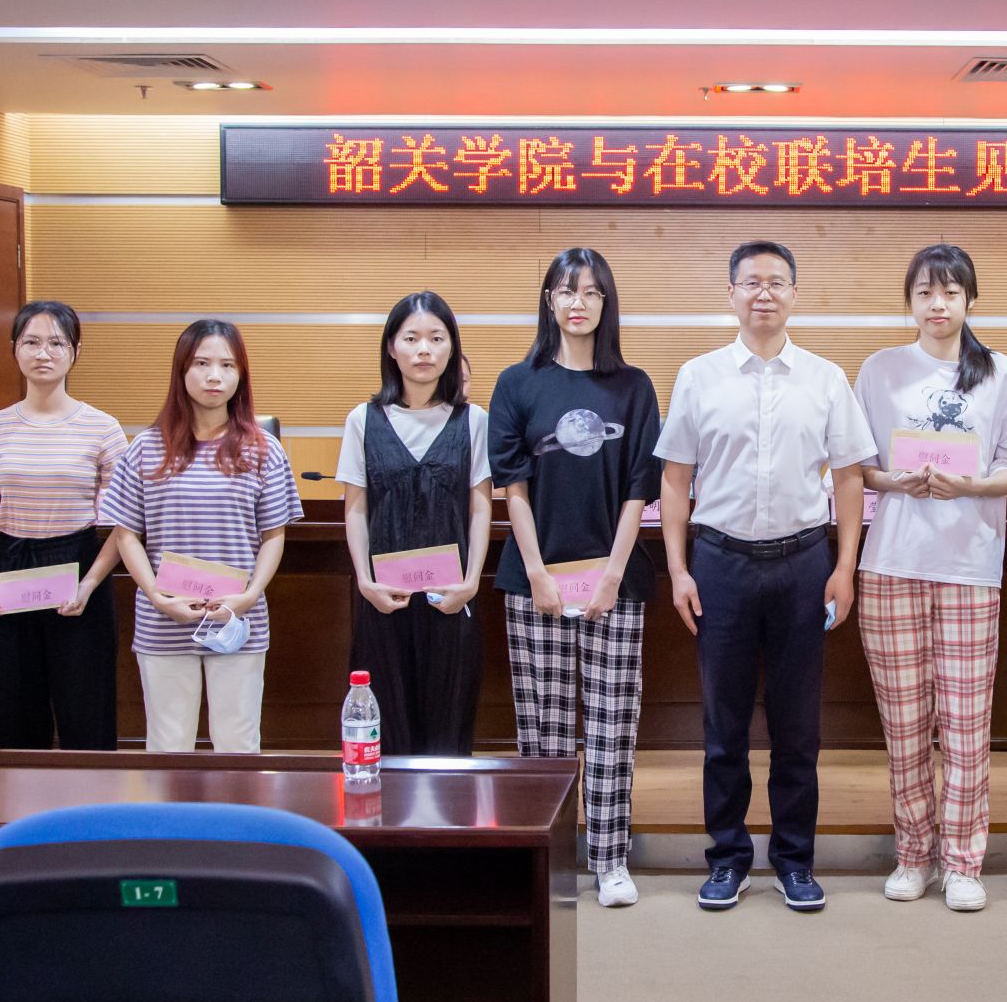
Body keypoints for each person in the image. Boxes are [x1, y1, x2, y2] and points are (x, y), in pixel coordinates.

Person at [656, 240, 875, 913]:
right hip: (719, 564)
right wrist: (678, 569)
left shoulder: (825, 378)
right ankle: (726, 858)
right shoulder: (698, 376)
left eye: (777, 282)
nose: (764, 293)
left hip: (803, 564)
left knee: (797, 726)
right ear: (731, 294)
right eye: (751, 282)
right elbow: (675, 479)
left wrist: (844, 567)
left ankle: (794, 859)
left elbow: (849, 478)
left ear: (794, 294)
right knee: (722, 726)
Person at [853, 245, 1007, 913]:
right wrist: (895, 480)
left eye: (951, 292)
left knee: (966, 724)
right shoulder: (880, 369)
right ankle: (912, 854)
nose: (938, 304)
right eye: (926, 291)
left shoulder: (1000, 372)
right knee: (904, 726)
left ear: (970, 301)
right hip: (891, 565)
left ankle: (962, 861)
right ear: (910, 301)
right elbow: (860, 465)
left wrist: (970, 485)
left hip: (969, 567)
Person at [490, 250, 660, 906]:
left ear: (606, 303)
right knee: (545, 730)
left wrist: (614, 574)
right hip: (537, 581)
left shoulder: (633, 387)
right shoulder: (517, 383)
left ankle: (610, 858)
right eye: (565, 290)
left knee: (614, 723)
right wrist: (536, 571)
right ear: (549, 301)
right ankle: (552, 857)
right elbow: (513, 487)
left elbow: (639, 490)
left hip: (614, 581)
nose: (577, 302)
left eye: (590, 292)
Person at [99, 319, 302, 753]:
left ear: (241, 374)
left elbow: (273, 534)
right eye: (202, 363)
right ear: (181, 371)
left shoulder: (264, 449)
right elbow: (126, 533)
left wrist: (249, 596)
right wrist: (158, 597)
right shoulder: (146, 447)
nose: (215, 376)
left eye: (227, 365)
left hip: (237, 618)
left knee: (238, 741)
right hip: (164, 619)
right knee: (168, 743)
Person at [0, 300, 128, 749]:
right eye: (31, 342)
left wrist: (90, 583)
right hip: (12, 566)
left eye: (57, 343)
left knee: (85, 710)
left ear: (75, 351)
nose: (43, 353)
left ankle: (89, 795)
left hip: (79, 565)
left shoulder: (103, 428)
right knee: (13, 709)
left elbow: (124, 524)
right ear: (14, 348)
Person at [338, 291, 490, 756]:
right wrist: (365, 582)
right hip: (384, 601)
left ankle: (447, 808)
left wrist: (470, 583)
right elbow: (355, 508)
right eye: (411, 338)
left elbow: (480, 507)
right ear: (391, 347)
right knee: (386, 728)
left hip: (450, 599)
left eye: (436, 338)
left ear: (452, 348)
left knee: (448, 729)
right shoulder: (363, 419)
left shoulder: (474, 420)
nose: (424, 350)